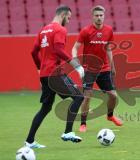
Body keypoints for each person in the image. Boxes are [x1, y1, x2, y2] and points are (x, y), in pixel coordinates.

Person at [25, 5, 85, 148]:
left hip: (45, 74)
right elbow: (58, 50)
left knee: (45, 108)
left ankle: (29, 141)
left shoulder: (43, 30)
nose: (69, 21)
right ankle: (68, 132)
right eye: (69, 18)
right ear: (63, 15)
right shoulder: (60, 29)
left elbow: (33, 52)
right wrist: (76, 65)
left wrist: (40, 68)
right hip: (55, 73)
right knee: (79, 97)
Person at [72, 5, 122, 132]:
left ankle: (110, 116)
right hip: (89, 69)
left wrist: (112, 66)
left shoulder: (109, 30)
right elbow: (75, 47)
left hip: (104, 68)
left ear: (104, 16)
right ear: (92, 16)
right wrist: (76, 62)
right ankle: (83, 124)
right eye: (97, 15)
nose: (99, 18)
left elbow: (108, 48)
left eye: (101, 15)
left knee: (113, 96)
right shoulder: (85, 31)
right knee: (87, 96)